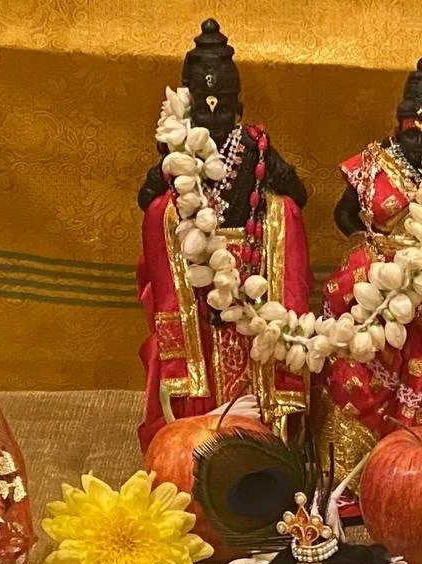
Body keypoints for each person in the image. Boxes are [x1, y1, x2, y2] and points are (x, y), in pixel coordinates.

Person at [314, 59, 422, 484]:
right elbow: (344, 217)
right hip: (374, 283)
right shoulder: (370, 165)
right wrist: (377, 247)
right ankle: (357, 475)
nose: (418, 139)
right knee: (361, 366)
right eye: (411, 132)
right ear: (398, 126)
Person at [136, 19, 312, 450]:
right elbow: (147, 199)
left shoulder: (255, 148)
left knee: (282, 211)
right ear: (186, 107)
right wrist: (171, 172)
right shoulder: (178, 154)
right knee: (162, 212)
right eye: (203, 107)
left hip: (253, 276)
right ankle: (194, 426)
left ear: (239, 106)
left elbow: (297, 196)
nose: (213, 117)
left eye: (222, 107)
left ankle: (269, 429)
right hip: (196, 281)